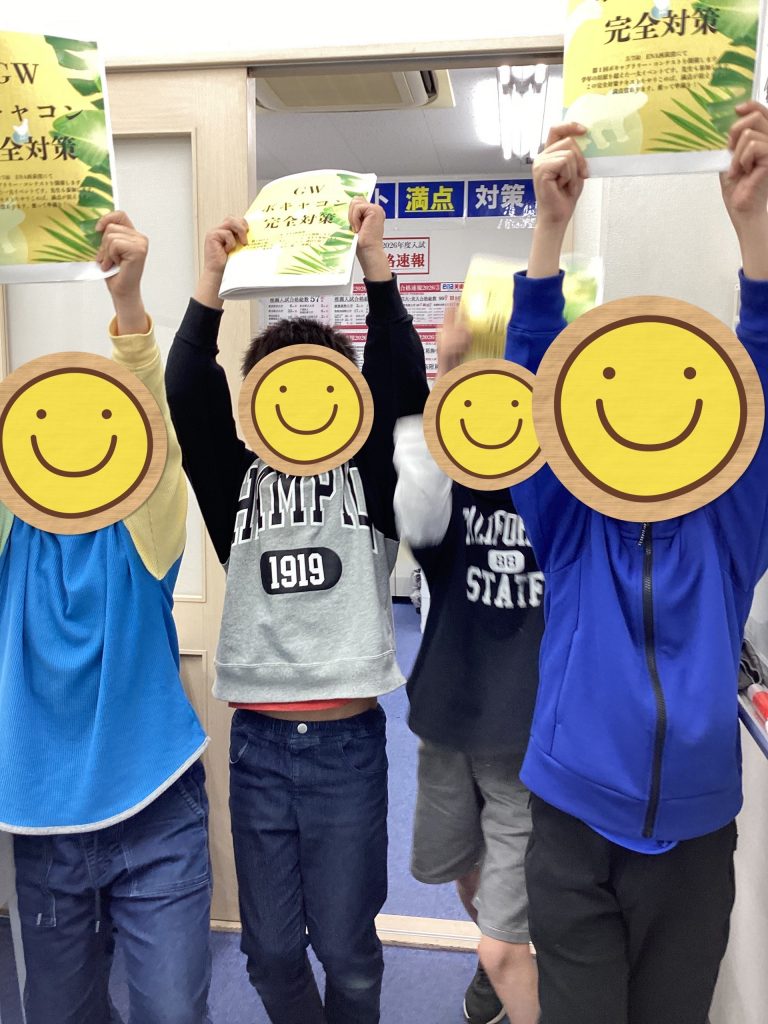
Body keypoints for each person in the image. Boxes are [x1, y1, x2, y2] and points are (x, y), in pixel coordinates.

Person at [505, 102, 768, 1024]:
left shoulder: (730, 524)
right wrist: (550, 229)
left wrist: (753, 231)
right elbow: (534, 391)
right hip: (572, 825)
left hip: (695, 836)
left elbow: (760, 383)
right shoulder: (569, 521)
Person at [165, 197, 428, 1024]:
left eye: (324, 385)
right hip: (260, 748)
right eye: (278, 387)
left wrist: (375, 266)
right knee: (271, 953)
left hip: (347, 748)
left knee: (347, 951)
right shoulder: (234, 482)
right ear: (254, 402)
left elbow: (400, 378)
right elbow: (186, 386)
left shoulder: (372, 478)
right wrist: (210, 279)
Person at [0, 212, 211, 1024]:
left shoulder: (142, 534)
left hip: (156, 811)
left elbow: (157, 438)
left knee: (173, 1012)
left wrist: (128, 305)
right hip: (45, 823)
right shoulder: (11, 543)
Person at [392, 309, 542, 1024]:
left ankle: (498, 968)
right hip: (448, 724)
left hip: (527, 742)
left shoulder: (561, 493)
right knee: (463, 870)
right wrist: (446, 372)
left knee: (505, 942)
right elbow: (418, 508)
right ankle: (491, 975)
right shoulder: (448, 485)